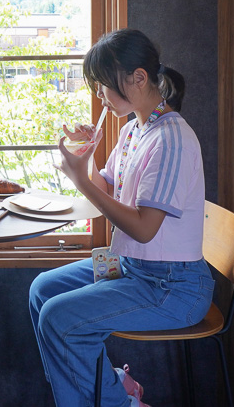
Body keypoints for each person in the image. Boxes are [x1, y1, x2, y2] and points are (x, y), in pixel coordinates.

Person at [29, 29, 214, 407]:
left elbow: (145, 228)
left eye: (101, 85)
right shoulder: (134, 129)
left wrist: (81, 182)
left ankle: (115, 401)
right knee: (42, 291)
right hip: (135, 269)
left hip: (172, 287)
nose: (99, 95)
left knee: (57, 319)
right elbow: (109, 189)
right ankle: (111, 389)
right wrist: (88, 159)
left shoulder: (172, 139)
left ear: (139, 78)